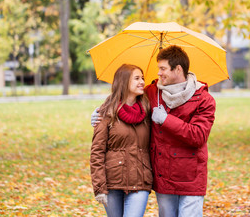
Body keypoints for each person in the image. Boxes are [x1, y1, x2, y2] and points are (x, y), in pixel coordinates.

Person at [92, 45, 216, 217]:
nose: (158, 73)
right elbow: (124, 98)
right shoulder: (152, 93)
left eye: (163, 68)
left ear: (178, 69)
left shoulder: (204, 99)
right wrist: (100, 112)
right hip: (163, 174)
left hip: (191, 175)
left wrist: (166, 120)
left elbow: (198, 136)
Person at [90, 64, 153, 217]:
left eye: (142, 78)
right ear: (124, 82)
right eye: (137, 78)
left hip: (140, 180)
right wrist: (99, 187)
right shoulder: (106, 112)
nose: (142, 82)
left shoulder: (147, 111)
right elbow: (97, 152)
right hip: (113, 181)